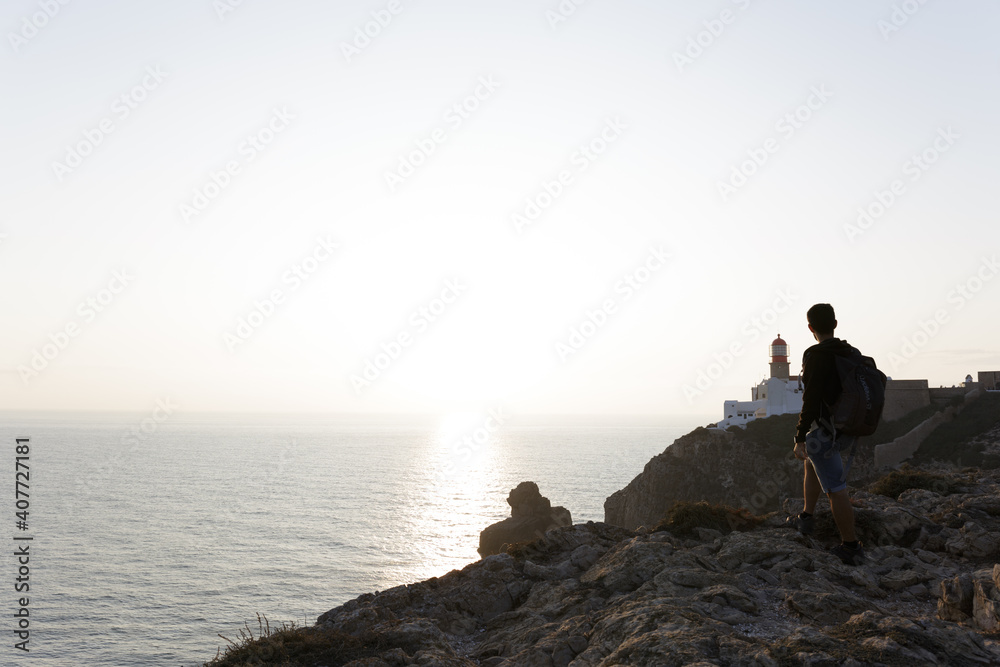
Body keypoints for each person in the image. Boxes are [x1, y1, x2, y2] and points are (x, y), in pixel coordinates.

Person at [788, 303, 865, 565]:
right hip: (850, 426)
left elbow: (810, 400)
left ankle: (851, 546)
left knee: (835, 488)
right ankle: (807, 517)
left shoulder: (816, 355)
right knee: (813, 460)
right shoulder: (850, 352)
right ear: (835, 324)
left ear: (810, 328)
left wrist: (799, 436)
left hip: (829, 430)